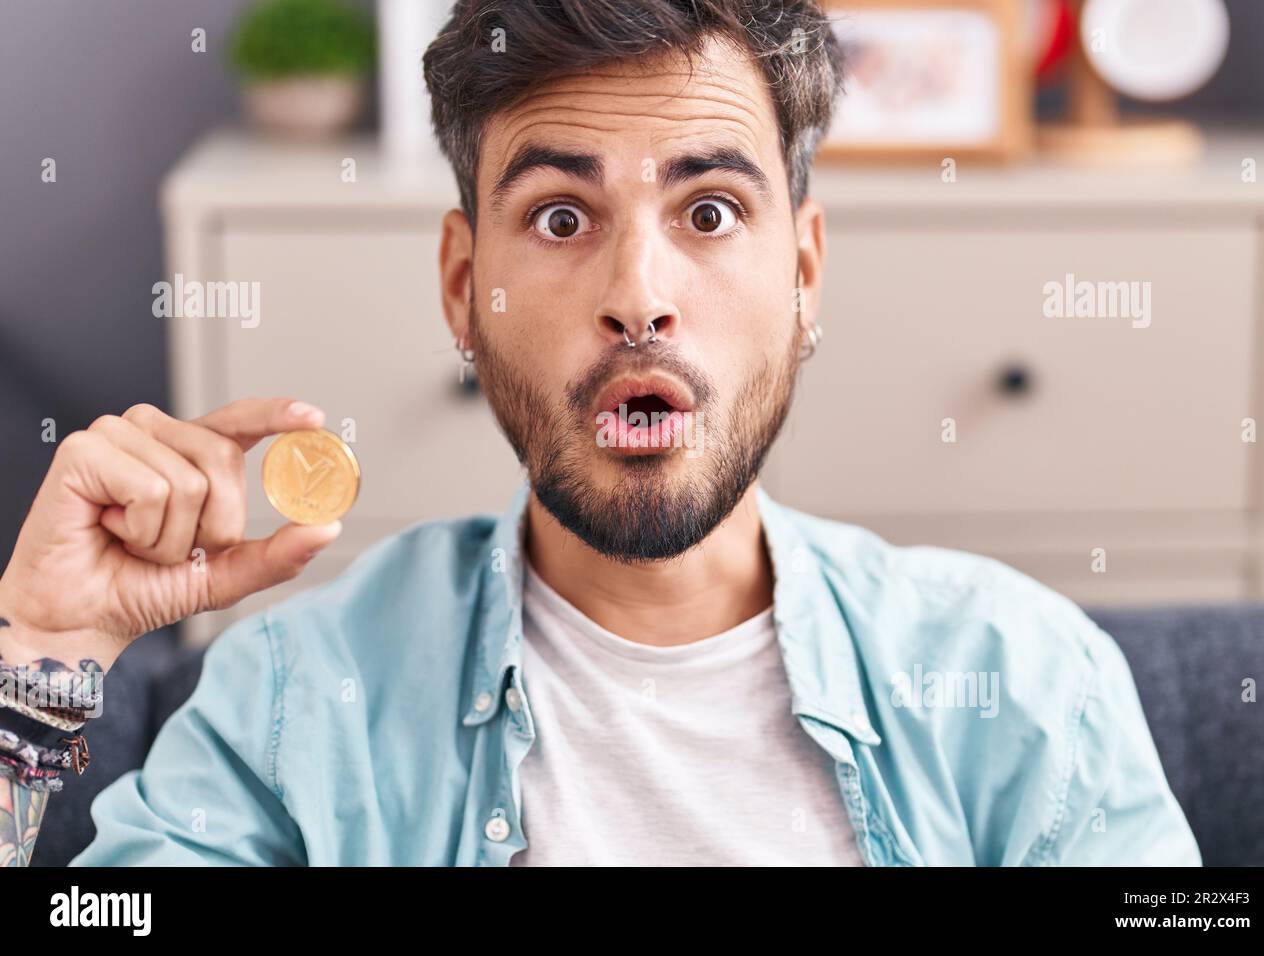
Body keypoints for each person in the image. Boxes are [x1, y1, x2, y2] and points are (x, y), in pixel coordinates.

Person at [0, 0, 1199, 866]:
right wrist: (36, 663)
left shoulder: (1027, 682)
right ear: (465, 286)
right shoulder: (297, 703)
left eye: (711, 209)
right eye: (563, 214)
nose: (639, 293)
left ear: (803, 272)